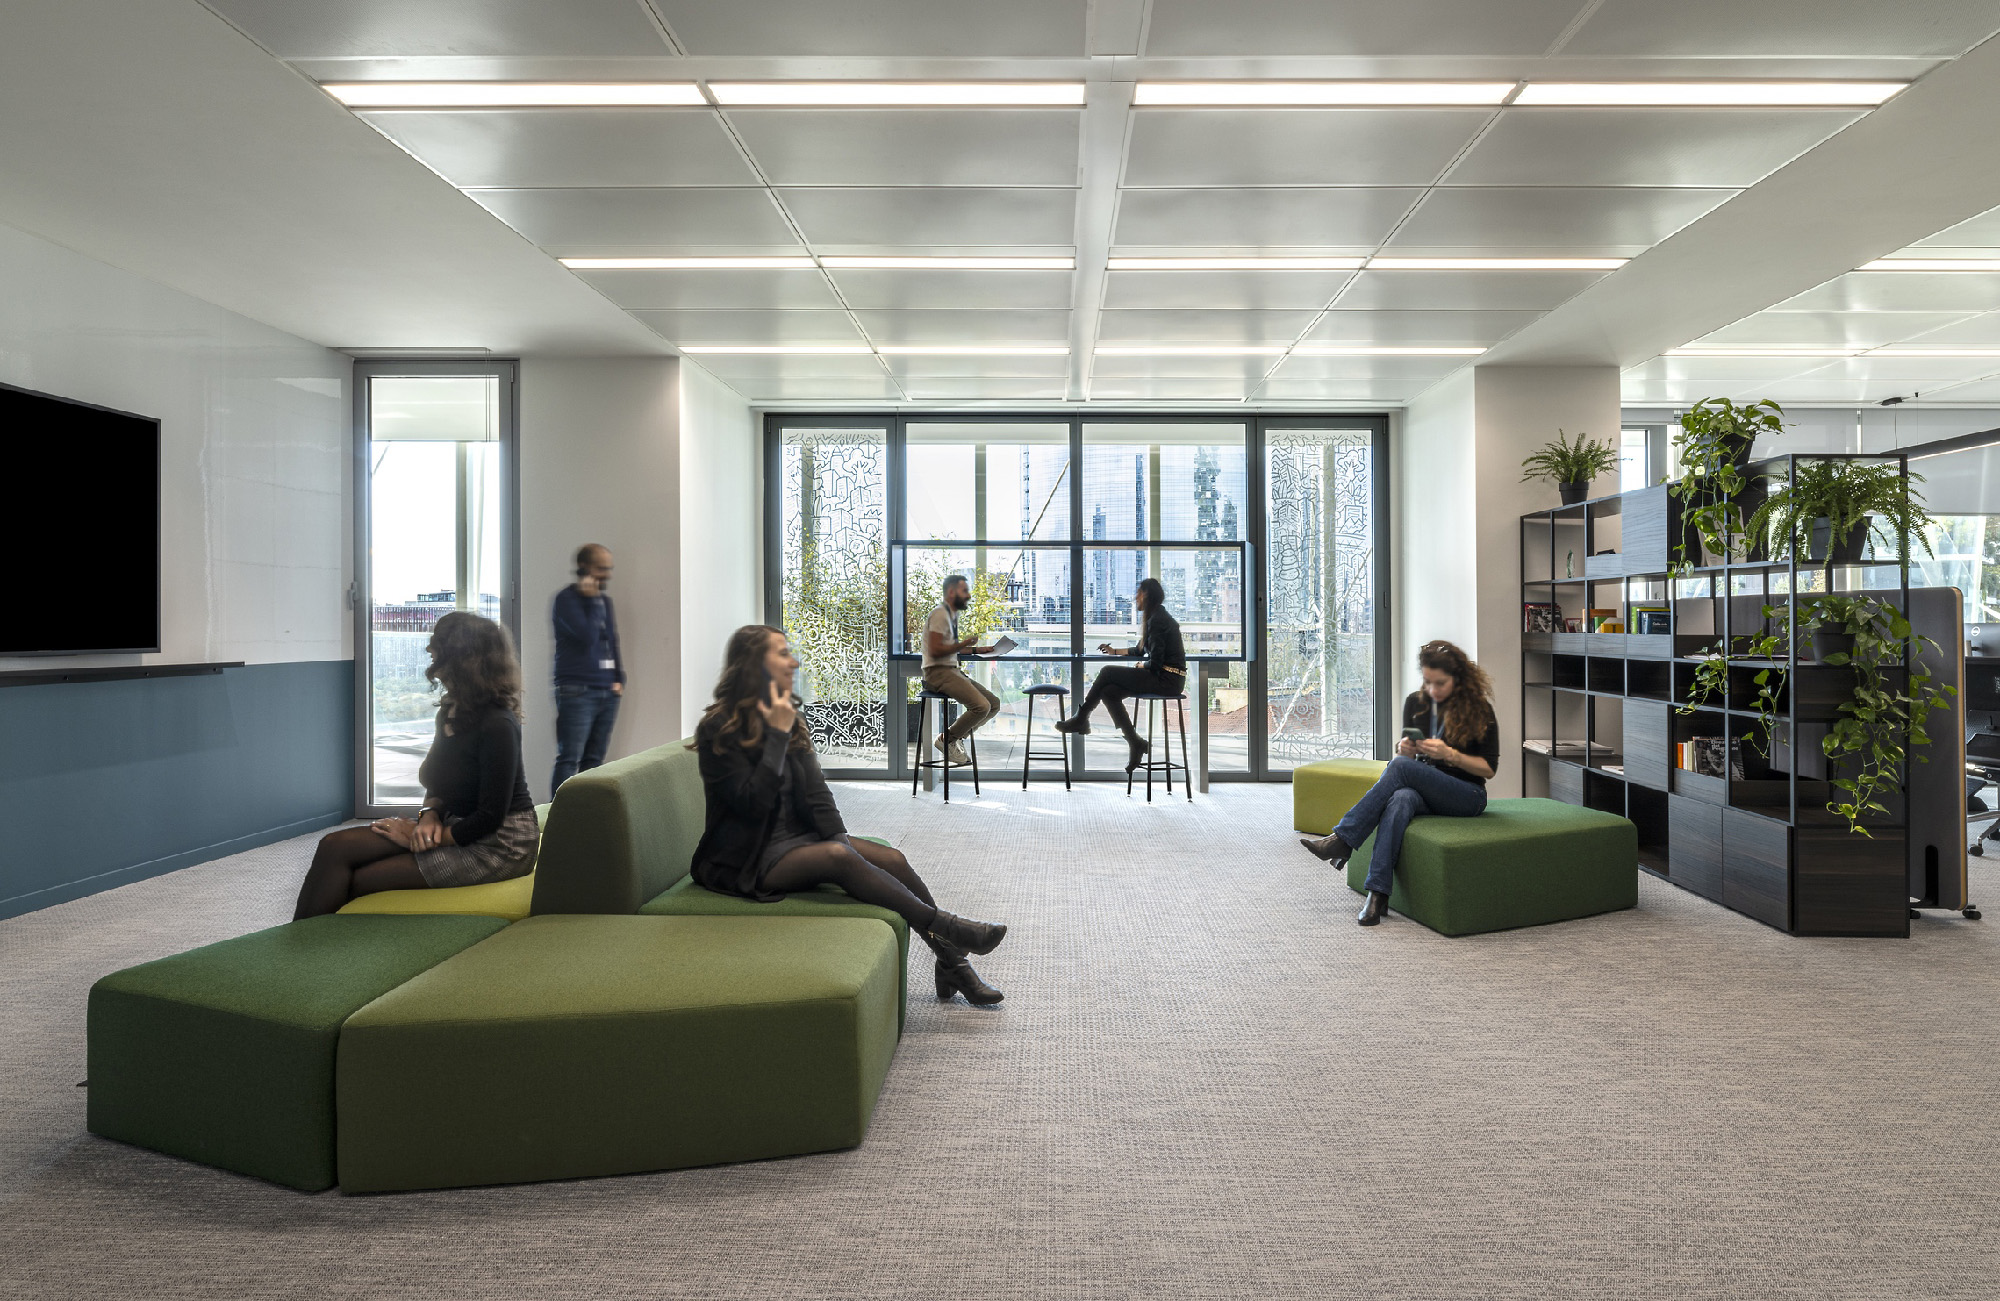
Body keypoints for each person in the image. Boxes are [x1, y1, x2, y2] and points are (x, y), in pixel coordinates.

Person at [691, 624, 1011, 1006]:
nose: (793, 662)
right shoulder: (718, 727)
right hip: (747, 855)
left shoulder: (787, 715)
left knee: (891, 858)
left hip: (796, 837)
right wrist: (775, 738)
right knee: (838, 857)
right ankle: (949, 931)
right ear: (753, 664)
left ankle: (951, 962)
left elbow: (816, 793)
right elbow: (750, 805)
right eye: (782, 653)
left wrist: (844, 842)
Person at [295, 612, 538, 918]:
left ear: (462, 656)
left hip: (501, 844)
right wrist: (428, 815)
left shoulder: (497, 724)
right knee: (334, 845)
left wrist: (421, 836)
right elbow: (436, 780)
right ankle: (296, 942)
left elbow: (490, 816)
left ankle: (313, 943)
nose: (428, 650)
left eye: (437, 644)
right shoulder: (451, 709)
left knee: (361, 880)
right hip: (455, 823)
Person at [1300, 640, 1500, 927]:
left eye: (1440, 683)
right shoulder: (1416, 703)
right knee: (1401, 798)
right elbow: (1409, 760)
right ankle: (1377, 894)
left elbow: (1489, 769)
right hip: (1423, 787)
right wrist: (1405, 751)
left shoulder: (1480, 711)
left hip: (1466, 794)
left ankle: (1343, 840)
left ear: (1459, 679)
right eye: (1427, 681)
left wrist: (1450, 754)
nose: (1432, 690)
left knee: (1400, 769)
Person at [1054, 576, 1186, 773]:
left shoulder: (1157, 620)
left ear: (1146, 595)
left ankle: (1081, 718)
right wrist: (1114, 651)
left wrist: (1142, 666)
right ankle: (1135, 742)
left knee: (1107, 671)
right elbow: (1140, 650)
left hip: (1167, 679)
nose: (1135, 598)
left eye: (1138, 593)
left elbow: (1156, 662)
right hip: (1168, 678)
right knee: (1109, 692)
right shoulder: (1156, 617)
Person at [551, 543, 624, 792]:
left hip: (608, 691)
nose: (607, 574)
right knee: (569, 759)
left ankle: (586, 811)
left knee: (594, 761)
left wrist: (619, 678)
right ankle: (559, 813)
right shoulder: (566, 600)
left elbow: (611, 640)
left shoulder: (605, 601)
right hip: (577, 690)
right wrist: (592, 601)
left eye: (609, 568)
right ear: (584, 567)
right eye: (601, 568)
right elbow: (587, 637)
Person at [921, 574, 1000, 767]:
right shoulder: (940, 614)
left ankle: (955, 738)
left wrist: (976, 650)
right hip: (939, 673)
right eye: (964, 591)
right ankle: (947, 740)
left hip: (952, 671)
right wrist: (965, 643)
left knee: (993, 704)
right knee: (982, 707)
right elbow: (936, 649)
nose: (968, 595)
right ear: (951, 592)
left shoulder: (949, 615)